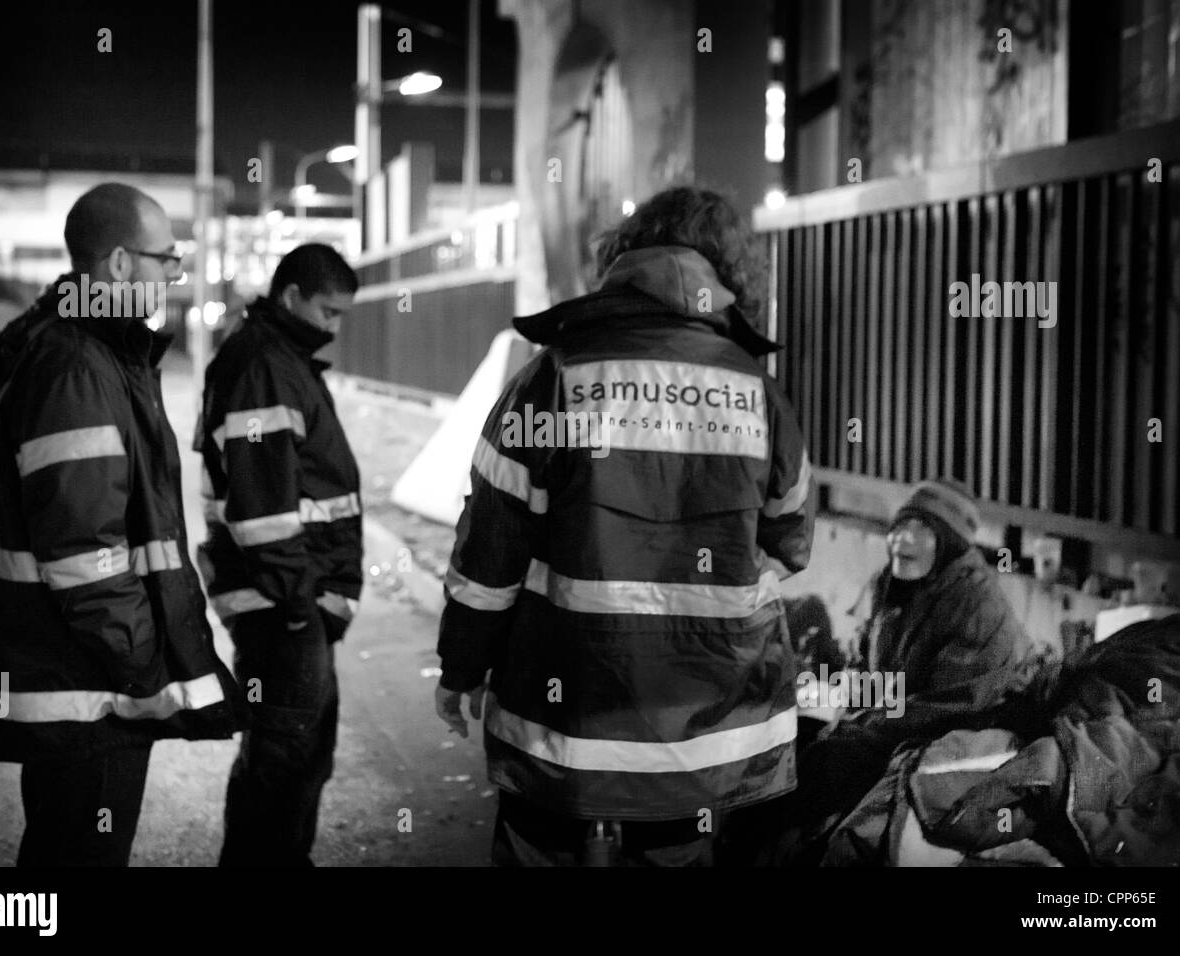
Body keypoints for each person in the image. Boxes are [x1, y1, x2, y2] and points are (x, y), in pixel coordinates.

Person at [434, 186, 814, 866]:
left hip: (563, 729)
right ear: (727, 277)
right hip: (702, 741)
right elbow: (791, 539)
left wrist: (461, 668)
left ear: (621, 262)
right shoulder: (758, 393)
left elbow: (489, 557)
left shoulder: (553, 377)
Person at [0, 182, 245, 866]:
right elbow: (85, 552)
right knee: (81, 855)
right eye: (166, 260)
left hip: (74, 676)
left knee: (58, 850)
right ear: (118, 265)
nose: (175, 275)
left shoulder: (81, 350)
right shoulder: (77, 366)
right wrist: (141, 672)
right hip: (93, 688)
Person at [197, 243, 363, 866]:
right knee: (282, 761)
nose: (334, 327)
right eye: (328, 310)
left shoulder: (277, 358)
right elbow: (263, 511)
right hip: (281, 606)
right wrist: (299, 607)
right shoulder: (265, 364)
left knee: (300, 760)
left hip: (293, 601)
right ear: (291, 295)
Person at [779, 478, 1032, 864]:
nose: (902, 539)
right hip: (893, 721)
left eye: (921, 529)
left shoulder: (978, 604)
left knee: (827, 767)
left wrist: (866, 724)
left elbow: (955, 707)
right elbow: (870, 667)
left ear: (949, 542)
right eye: (900, 526)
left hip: (949, 737)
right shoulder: (891, 584)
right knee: (794, 737)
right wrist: (831, 697)